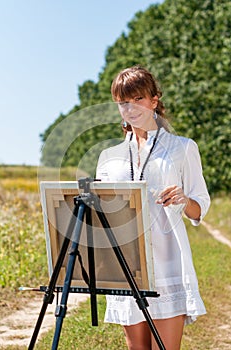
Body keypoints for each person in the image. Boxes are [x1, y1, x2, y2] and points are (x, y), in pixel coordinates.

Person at [96, 66, 210, 350]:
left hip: (168, 259)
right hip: (127, 265)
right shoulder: (109, 157)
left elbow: (200, 208)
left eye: (138, 99)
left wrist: (184, 199)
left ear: (154, 100)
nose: (130, 108)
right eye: (123, 102)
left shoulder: (183, 147)